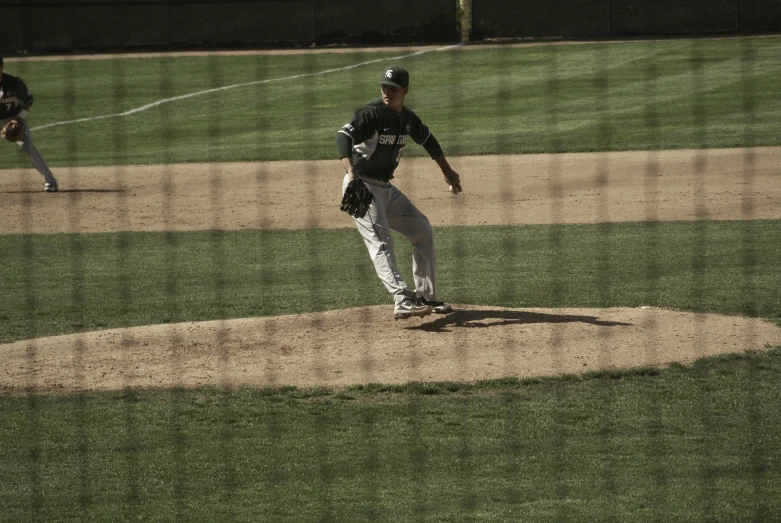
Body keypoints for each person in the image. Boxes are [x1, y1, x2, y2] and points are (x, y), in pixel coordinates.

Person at [336, 65, 463, 321]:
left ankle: (426, 296)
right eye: (384, 87)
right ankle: (402, 299)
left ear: (405, 90)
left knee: (422, 230)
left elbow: (428, 140)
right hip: (363, 186)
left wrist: (447, 171)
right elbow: (342, 137)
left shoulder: (407, 119)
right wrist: (351, 173)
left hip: (385, 188)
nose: (388, 92)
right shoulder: (370, 114)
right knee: (381, 241)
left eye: (393, 89)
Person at [0, 57, 58, 192]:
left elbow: (29, 100)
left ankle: (50, 182)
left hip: (14, 117)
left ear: (1, 68)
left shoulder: (14, 83)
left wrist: (18, 119)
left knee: (27, 147)